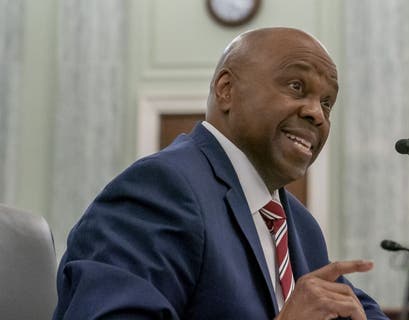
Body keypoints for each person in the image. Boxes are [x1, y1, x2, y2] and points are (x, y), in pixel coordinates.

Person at [53, 27, 389, 320]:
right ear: (226, 89)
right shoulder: (161, 189)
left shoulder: (298, 224)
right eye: (297, 86)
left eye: (328, 103)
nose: (317, 113)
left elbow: (350, 307)